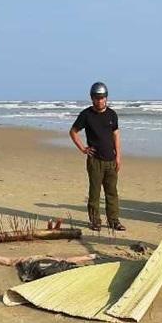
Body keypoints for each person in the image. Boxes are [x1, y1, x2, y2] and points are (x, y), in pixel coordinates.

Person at [69, 82, 126, 232]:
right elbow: (73, 131)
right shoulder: (86, 115)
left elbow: (116, 134)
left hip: (111, 160)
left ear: (106, 98)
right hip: (95, 161)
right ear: (92, 98)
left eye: (102, 98)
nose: (100, 101)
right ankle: (95, 221)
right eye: (97, 98)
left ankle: (114, 221)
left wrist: (118, 157)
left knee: (112, 192)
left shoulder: (112, 114)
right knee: (94, 192)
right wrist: (83, 148)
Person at [0, 252, 96, 282]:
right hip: (51, 266)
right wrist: (89, 257)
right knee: (67, 269)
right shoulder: (54, 258)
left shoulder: (25, 259)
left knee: (55, 272)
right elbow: (70, 260)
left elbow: (7, 261)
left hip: (34, 267)